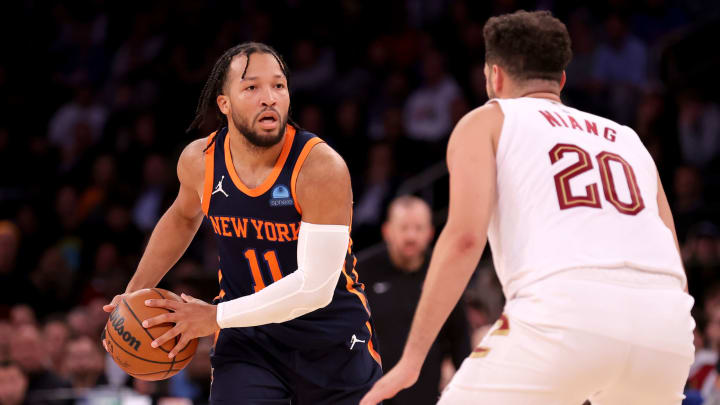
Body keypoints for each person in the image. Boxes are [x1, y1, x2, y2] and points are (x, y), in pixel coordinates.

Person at [361, 10, 694, 405]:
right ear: (562, 80)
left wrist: (411, 360)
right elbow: (672, 252)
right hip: (666, 326)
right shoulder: (628, 140)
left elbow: (466, 238)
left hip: (567, 312)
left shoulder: (487, 121)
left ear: (494, 76)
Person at [102, 42, 381, 404]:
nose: (270, 97)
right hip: (248, 341)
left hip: (331, 340)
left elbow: (316, 287)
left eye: (278, 86)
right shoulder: (200, 160)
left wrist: (214, 316)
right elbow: (183, 217)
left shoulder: (320, 168)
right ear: (224, 103)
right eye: (252, 87)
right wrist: (133, 294)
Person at [360, 195, 470, 405]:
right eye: (404, 228)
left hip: (425, 393)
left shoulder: (443, 274)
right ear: (387, 231)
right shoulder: (362, 271)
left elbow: (460, 338)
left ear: (430, 233)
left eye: (418, 228)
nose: (411, 236)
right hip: (371, 392)